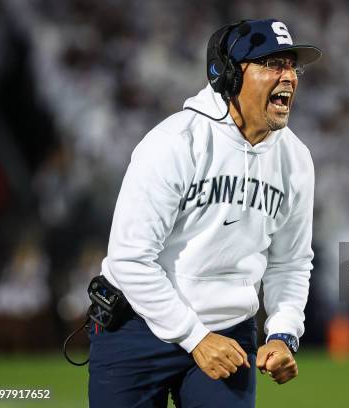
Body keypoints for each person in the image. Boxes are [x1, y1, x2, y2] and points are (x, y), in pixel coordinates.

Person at [88, 19, 321, 408]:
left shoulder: (296, 160)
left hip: (229, 331)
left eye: (291, 66)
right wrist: (194, 337)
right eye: (271, 64)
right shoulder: (173, 144)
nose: (289, 77)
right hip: (137, 327)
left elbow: (291, 261)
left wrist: (282, 333)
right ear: (228, 75)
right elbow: (130, 260)